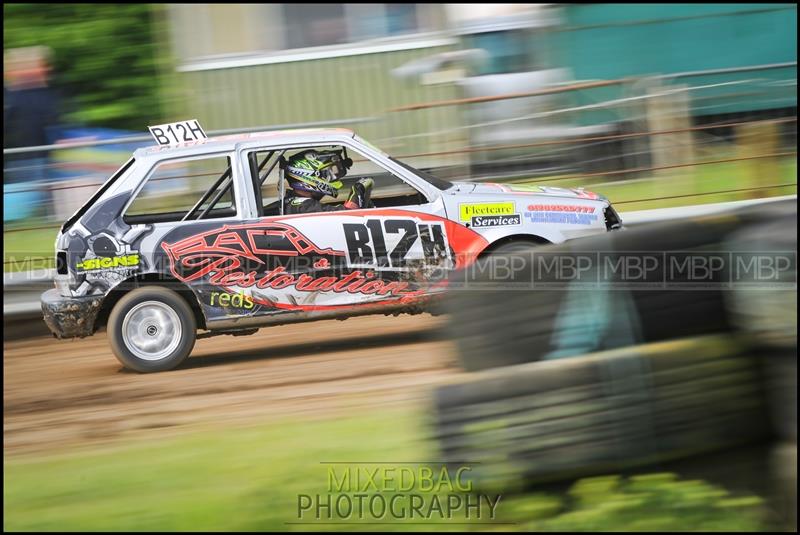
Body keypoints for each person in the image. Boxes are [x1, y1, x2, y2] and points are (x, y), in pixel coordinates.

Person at [283, 149, 374, 214]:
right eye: (326, 174)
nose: (331, 178)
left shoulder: (293, 203)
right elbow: (349, 215)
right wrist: (358, 190)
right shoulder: (303, 206)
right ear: (308, 175)